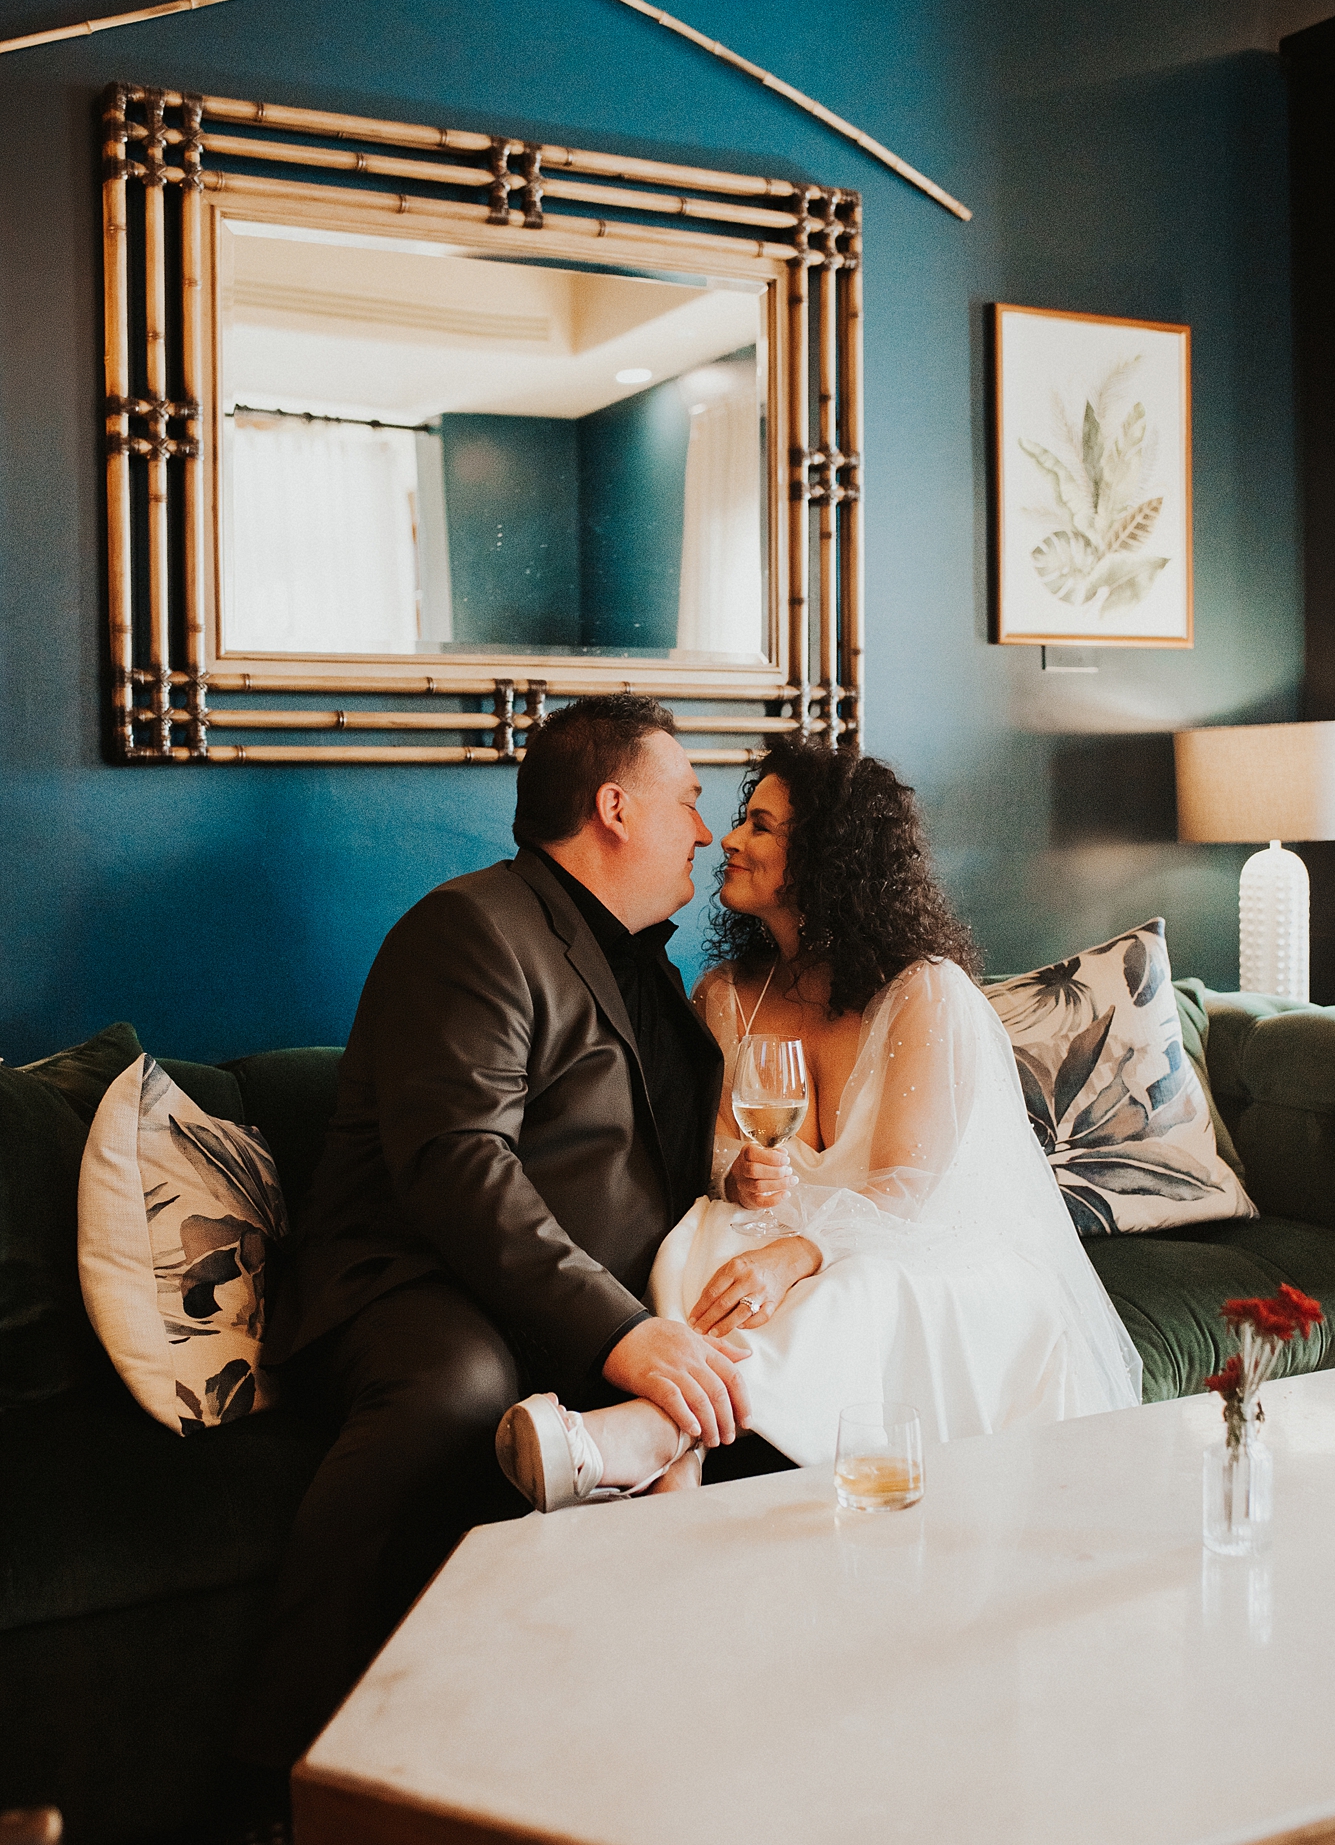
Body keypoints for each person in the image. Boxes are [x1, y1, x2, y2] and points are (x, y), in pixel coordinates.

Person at [235, 696, 773, 1807]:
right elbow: (457, 1169)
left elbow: (633, 1156)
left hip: (577, 1285)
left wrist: (729, 1188)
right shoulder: (471, 927)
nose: (707, 831)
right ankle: (279, 1777)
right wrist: (623, 1333)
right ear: (614, 806)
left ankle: (625, 1765)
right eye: (691, 800)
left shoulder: (644, 966)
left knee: (771, 1378)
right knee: (462, 1388)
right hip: (417, 1275)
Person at [496, 736, 1142, 1510]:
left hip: (924, 1250)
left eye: (761, 826)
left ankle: (651, 1439)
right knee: (700, 1242)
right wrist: (735, 1173)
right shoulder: (727, 996)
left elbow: (904, 1191)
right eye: (741, 821)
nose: (725, 840)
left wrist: (795, 1256)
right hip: (777, 1235)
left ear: (829, 856)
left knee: (860, 1283)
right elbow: (707, 1159)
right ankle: (673, 1463)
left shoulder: (924, 993)